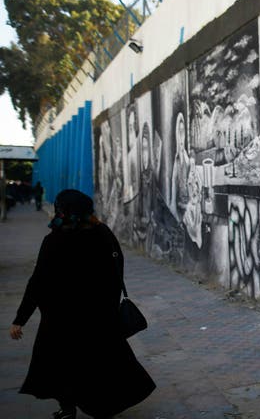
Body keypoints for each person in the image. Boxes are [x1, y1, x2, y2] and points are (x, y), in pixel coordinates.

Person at [9, 189, 155, 419]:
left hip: (60, 320)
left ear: (63, 211)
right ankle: (104, 406)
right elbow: (117, 268)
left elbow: (38, 281)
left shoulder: (55, 240)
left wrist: (21, 318)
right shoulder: (103, 234)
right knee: (100, 365)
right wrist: (108, 303)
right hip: (98, 317)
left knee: (60, 366)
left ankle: (68, 409)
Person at [170, 111, 190, 221]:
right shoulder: (177, 159)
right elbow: (173, 182)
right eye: (179, 131)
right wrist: (173, 204)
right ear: (177, 134)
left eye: (183, 131)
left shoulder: (186, 155)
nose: (181, 135)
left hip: (190, 203)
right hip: (182, 205)